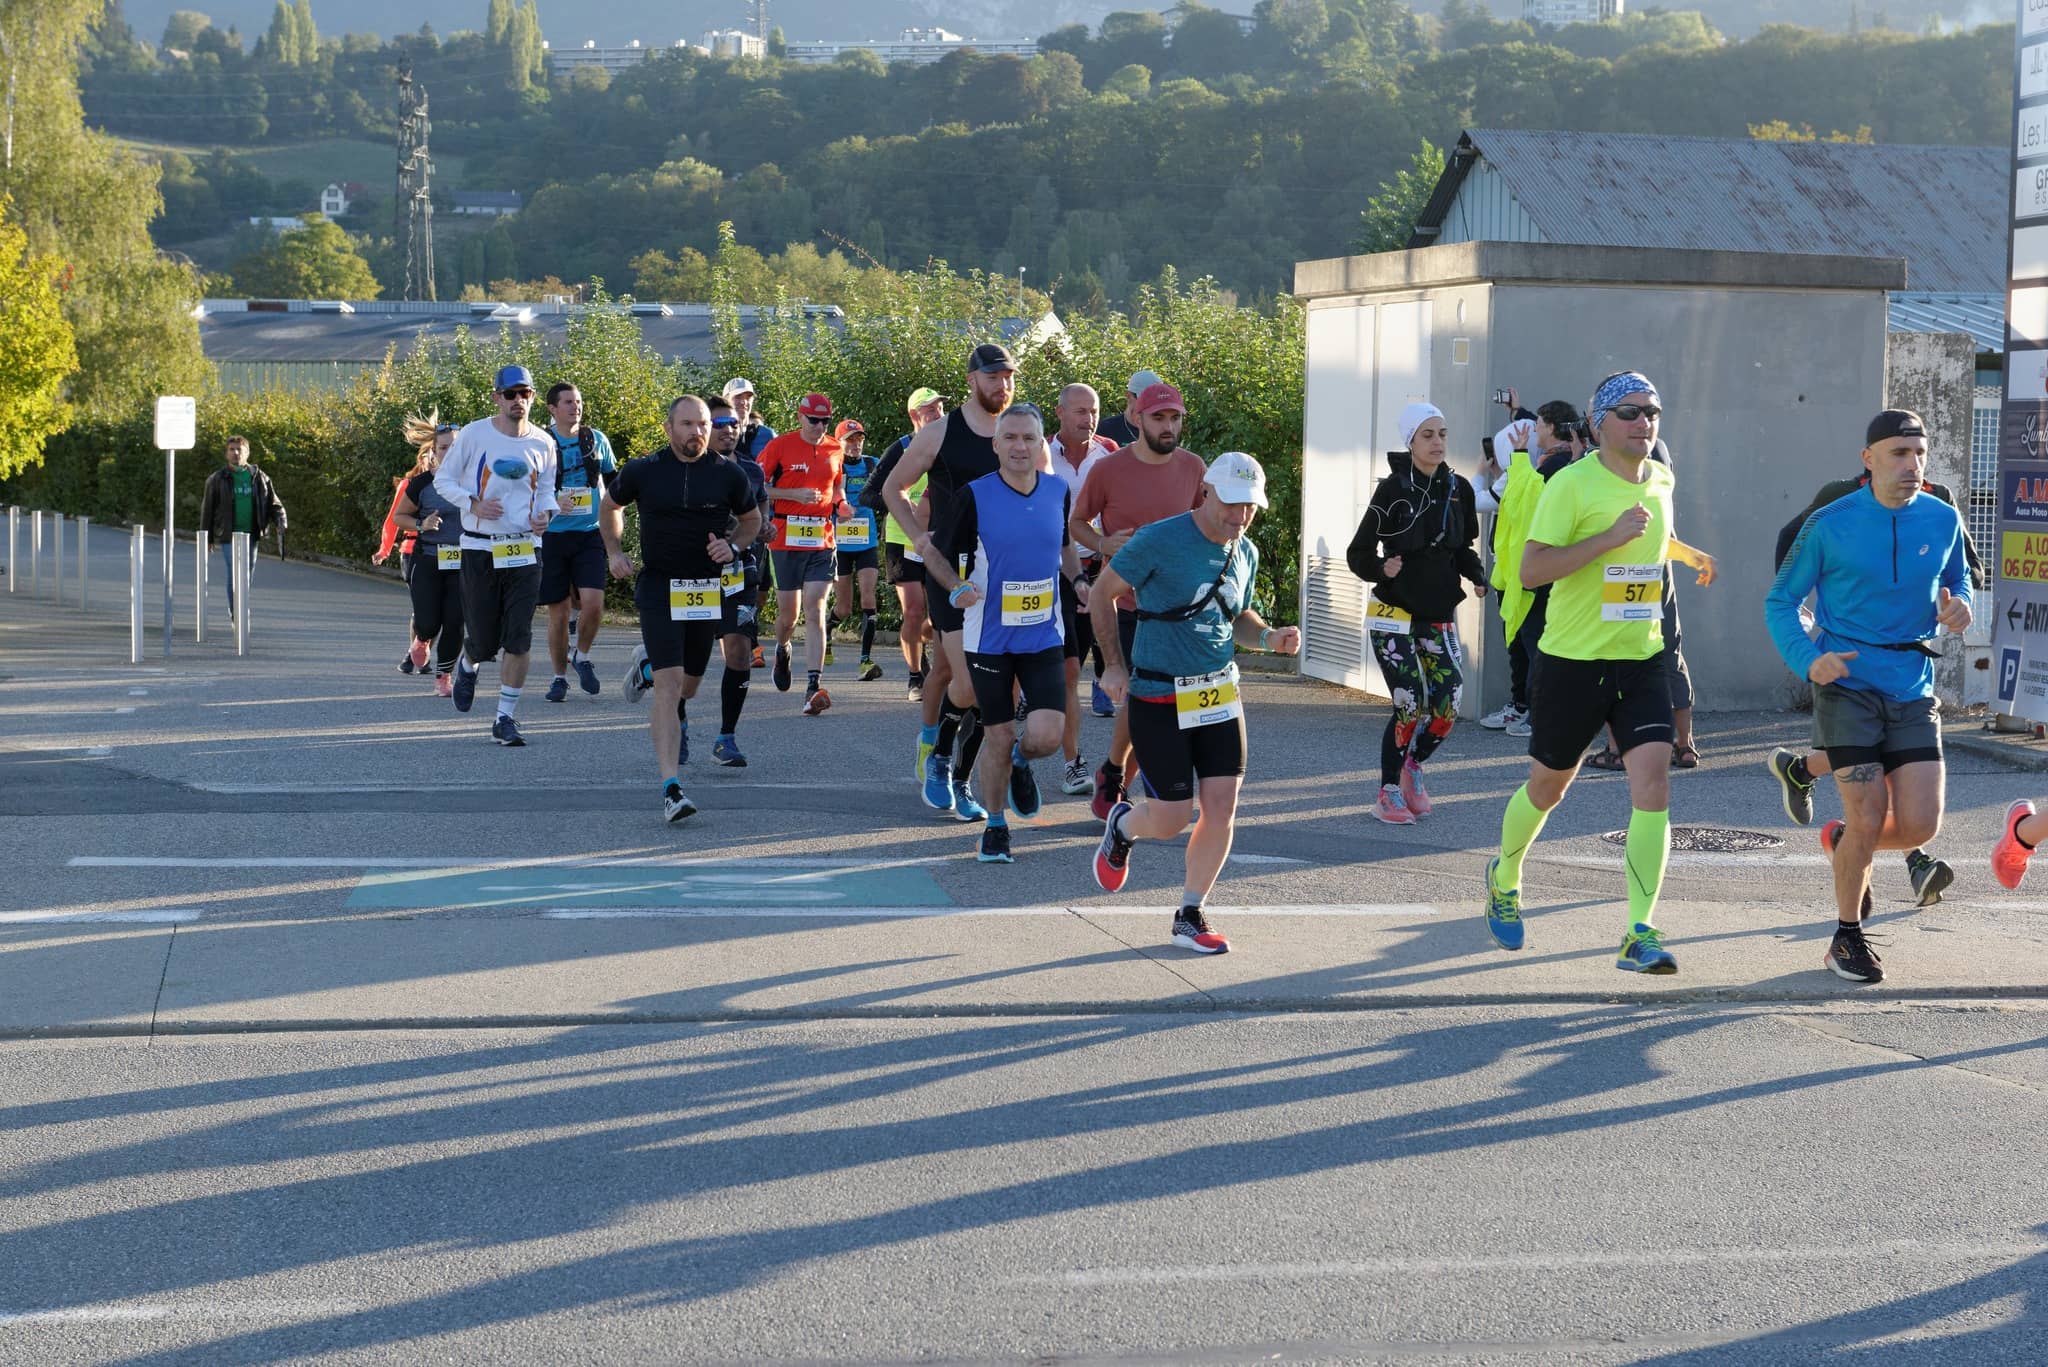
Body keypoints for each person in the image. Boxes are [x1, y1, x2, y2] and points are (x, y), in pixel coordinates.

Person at [1481, 372, 1687, 974]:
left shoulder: (1663, 480)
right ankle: (1505, 873)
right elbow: (1531, 570)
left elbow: (1654, 543)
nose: (1643, 422)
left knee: (1654, 787)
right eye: (1629, 412)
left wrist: (1691, 556)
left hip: (1641, 657)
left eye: (1652, 411)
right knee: (1549, 788)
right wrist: (1608, 537)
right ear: (1599, 423)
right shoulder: (1570, 484)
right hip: (1572, 661)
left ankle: (1638, 931)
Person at [1765, 409, 1972, 984]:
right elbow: (1779, 601)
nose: (1912, 465)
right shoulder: (1831, 521)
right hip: (1848, 685)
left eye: (1920, 454)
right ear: (1869, 459)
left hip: (1912, 685)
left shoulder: (1942, 517)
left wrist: (1959, 604)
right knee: (1869, 815)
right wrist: (1811, 660)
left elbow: (1960, 578)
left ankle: (1843, 843)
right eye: (1899, 454)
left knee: (1920, 827)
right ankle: (1846, 937)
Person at [1090, 452, 1300, 954]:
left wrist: (1269, 637)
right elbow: (1102, 594)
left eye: (1250, 507)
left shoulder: (1242, 550)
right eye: (1232, 503)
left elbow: (1237, 614)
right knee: (1170, 817)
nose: (1240, 516)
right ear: (1206, 491)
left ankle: (1190, 912)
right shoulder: (1159, 539)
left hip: (1219, 694)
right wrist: (1114, 666)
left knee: (1222, 807)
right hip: (1159, 694)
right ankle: (1122, 824)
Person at [923, 405, 1086, 863]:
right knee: (996, 735)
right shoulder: (973, 496)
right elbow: (936, 554)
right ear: (996, 445)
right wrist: (956, 588)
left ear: (1041, 444)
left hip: (1042, 636)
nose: (1019, 446)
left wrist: (1080, 581)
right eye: (1009, 438)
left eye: (1028, 438)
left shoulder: (1058, 491)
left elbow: (1065, 547)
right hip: (989, 639)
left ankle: (1020, 763)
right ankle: (995, 828)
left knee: (1048, 736)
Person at [602, 395, 762, 822]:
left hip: (705, 588)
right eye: (688, 424)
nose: (698, 432)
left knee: (689, 686)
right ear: (669, 427)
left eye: (704, 424)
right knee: (671, 691)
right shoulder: (644, 470)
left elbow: (752, 522)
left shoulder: (728, 473)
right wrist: (614, 551)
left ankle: (646, 669)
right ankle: (671, 787)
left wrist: (732, 545)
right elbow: (609, 506)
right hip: (658, 586)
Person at [883, 344, 1020, 823]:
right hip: (951, 573)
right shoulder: (940, 433)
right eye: (991, 377)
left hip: (1006, 574)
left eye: (1007, 377)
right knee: (971, 682)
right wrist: (920, 539)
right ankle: (942, 758)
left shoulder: (1018, 433)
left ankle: (952, 766)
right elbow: (891, 489)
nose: (1001, 386)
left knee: (990, 688)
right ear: (971, 380)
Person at [1069, 381, 1210, 820]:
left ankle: (1116, 775)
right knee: (1139, 700)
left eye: (1175, 418)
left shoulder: (1193, 467)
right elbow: (1077, 525)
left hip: (1181, 610)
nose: (1168, 427)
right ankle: (1117, 777)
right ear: (1137, 419)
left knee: (1167, 704)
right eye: (1158, 418)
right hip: (1127, 605)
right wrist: (1105, 544)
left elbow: (1202, 528)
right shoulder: (1110, 469)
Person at [1346, 402, 1488, 825]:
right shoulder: (1392, 490)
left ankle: (1413, 766)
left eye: (1442, 433)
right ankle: (1387, 791)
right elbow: (1358, 552)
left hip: (1439, 610)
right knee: (1409, 700)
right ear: (1410, 441)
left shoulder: (1459, 488)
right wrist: (1379, 568)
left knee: (1448, 703)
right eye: (1427, 435)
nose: (1437, 442)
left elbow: (1463, 549)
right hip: (1394, 611)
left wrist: (1478, 576)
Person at [433, 366, 558, 746]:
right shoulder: (474, 434)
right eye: (511, 394)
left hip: (524, 549)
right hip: (479, 547)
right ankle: (469, 665)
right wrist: (472, 502)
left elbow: (548, 490)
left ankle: (505, 718)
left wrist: (546, 515)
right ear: (496, 398)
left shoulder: (543, 442)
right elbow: (443, 480)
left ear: (534, 398)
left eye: (526, 394)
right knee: (486, 641)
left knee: (519, 638)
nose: (519, 401)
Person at [1479, 400, 1585, 737]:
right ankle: (1525, 707)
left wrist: (1519, 457)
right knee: (1524, 643)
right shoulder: (1555, 461)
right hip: (1527, 568)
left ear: (1552, 428)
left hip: (1538, 569)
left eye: (1538, 424)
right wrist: (1518, 410)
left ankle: (1539, 713)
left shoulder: (1557, 466)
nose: (1534, 430)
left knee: (1535, 643)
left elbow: (1525, 502)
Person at [759, 392, 855, 715]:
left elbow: (837, 487)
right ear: (800, 417)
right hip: (785, 539)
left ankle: (813, 687)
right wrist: (792, 493)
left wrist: (842, 505)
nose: (818, 426)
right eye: (813, 420)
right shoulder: (779, 446)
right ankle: (782, 648)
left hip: (821, 539)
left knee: (816, 608)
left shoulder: (834, 448)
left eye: (825, 421)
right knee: (789, 616)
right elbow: (757, 486)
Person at [1047, 382, 1119, 790]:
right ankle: (1074, 762)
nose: (1088, 419)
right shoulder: (1040, 453)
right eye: (1079, 411)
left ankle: (1119, 768)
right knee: (1068, 670)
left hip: (1101, 572)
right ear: (1060, 412)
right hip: (1053, 572)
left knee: (1116, 669)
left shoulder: (1110, 453)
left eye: (1092, 411)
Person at [864, 387, 948, 705]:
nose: (937, 414)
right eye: (929, 410)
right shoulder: (901, 448)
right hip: (904, 538)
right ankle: (915, 676)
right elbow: (869, 493)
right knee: (913, 610)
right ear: (915, 416)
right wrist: (902, 504)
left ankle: (933, 658)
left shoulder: (950, 445)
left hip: (940, 538)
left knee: (941, 611)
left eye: (939, 408)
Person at [538, 382, 618, 703]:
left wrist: (616, 526)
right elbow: (526, 489)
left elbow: (615, 485)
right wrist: (553, 501)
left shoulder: (596, 440)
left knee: (594, 605)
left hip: (589, 533)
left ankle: (581, 656)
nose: (576, 407)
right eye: (568, 402)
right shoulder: (540, 443)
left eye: (579, 402)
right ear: (552, 409)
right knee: (558, 613)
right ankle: (559, 678)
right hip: (551, 537)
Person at [706, 394, 772, 766]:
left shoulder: (751, 469)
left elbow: (761, 503)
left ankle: (725, 737)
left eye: (733, 424)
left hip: (740, 571)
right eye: (719, 424)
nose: (729, 430)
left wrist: (764, 525)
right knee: (689, 661)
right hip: (695, 574)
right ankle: (676, 717)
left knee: (739, 652)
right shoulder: (690, 468)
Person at [387, 416, 464, 696]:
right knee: (429, 621)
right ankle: (421, 639)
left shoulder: (476, 481)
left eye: (455, 447)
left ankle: (444, 676)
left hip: (463, 561)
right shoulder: (421, 484)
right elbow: (399, 517)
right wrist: (422, 524)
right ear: (433, 451)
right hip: (428, 558)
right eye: (444, 448)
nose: (450, 453)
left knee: (456, 620)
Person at [373, 418, 450, 676]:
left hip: (450, 555)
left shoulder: (459, 483)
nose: (432, 459)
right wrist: (384, 550)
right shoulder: (413, 485)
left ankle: (420, 651)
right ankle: (414, 651)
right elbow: (393, 519)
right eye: (429, 454)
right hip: (413, 552)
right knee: (423, 607)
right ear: (424, 458)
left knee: (443, 609)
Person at [199, 434, 287, 629]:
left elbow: (274, 503)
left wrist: (281, 521)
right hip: (229, 534)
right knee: (234, 574)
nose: (236, 453)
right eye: (232, 449)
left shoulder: (259, 477)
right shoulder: (217, 478)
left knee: (246, 575)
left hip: (251, 534)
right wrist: (207, 537)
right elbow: (208, 508)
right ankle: (237, 615)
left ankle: (240, 607)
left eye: (240, 449)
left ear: (247, 453)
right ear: (226, 454)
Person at [829, 418, 886, 681]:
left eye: (859, 439)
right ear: (839, 442)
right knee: (843, 609)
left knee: (868, 597)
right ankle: (827, 635)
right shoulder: (832, 465)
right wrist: (836, 511)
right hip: (840, 544)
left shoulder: (873, 464)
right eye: (850, 439)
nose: (855, 444)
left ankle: (865, 660)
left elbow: (889, 490)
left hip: (867, 541)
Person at [1095, 368, 1163, 449]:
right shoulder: (1105, 429)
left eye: (1155, 400)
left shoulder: (1162, 430)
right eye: (1145, 399)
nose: (1150, 404)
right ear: (1128, 396)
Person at [723, 377, 776, 461]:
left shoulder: (767, 435)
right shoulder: (718, 433)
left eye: (748, 398)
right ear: (725, 400)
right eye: (738, 397)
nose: (744, 402)